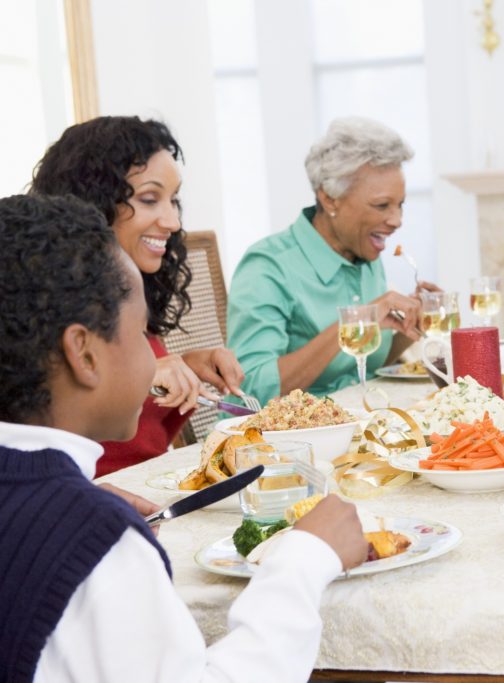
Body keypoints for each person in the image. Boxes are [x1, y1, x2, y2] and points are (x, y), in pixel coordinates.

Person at [0, 193, 368, 682]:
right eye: (141, 333)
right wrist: (304, 559)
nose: (156, 356)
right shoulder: (98, 545)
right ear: (84, 355)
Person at [31, 116, 245, 477]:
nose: (173, 221)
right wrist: (136, 375)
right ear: (94, 203)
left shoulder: (127, 288)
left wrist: (186, 366)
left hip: (152, 491)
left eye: (173, 199)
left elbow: (144, 441)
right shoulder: (39, 304)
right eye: (149, 199)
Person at [228, 117, 431, 404]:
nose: (397, 220)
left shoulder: (364, 251)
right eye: (381, 205)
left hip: (354, 422)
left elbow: (362, 365)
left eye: (400, 205)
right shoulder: (267, 267)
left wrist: (413, 325)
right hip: (282, 438)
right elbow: (251, 389)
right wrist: (355, 322)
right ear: (330, 199)